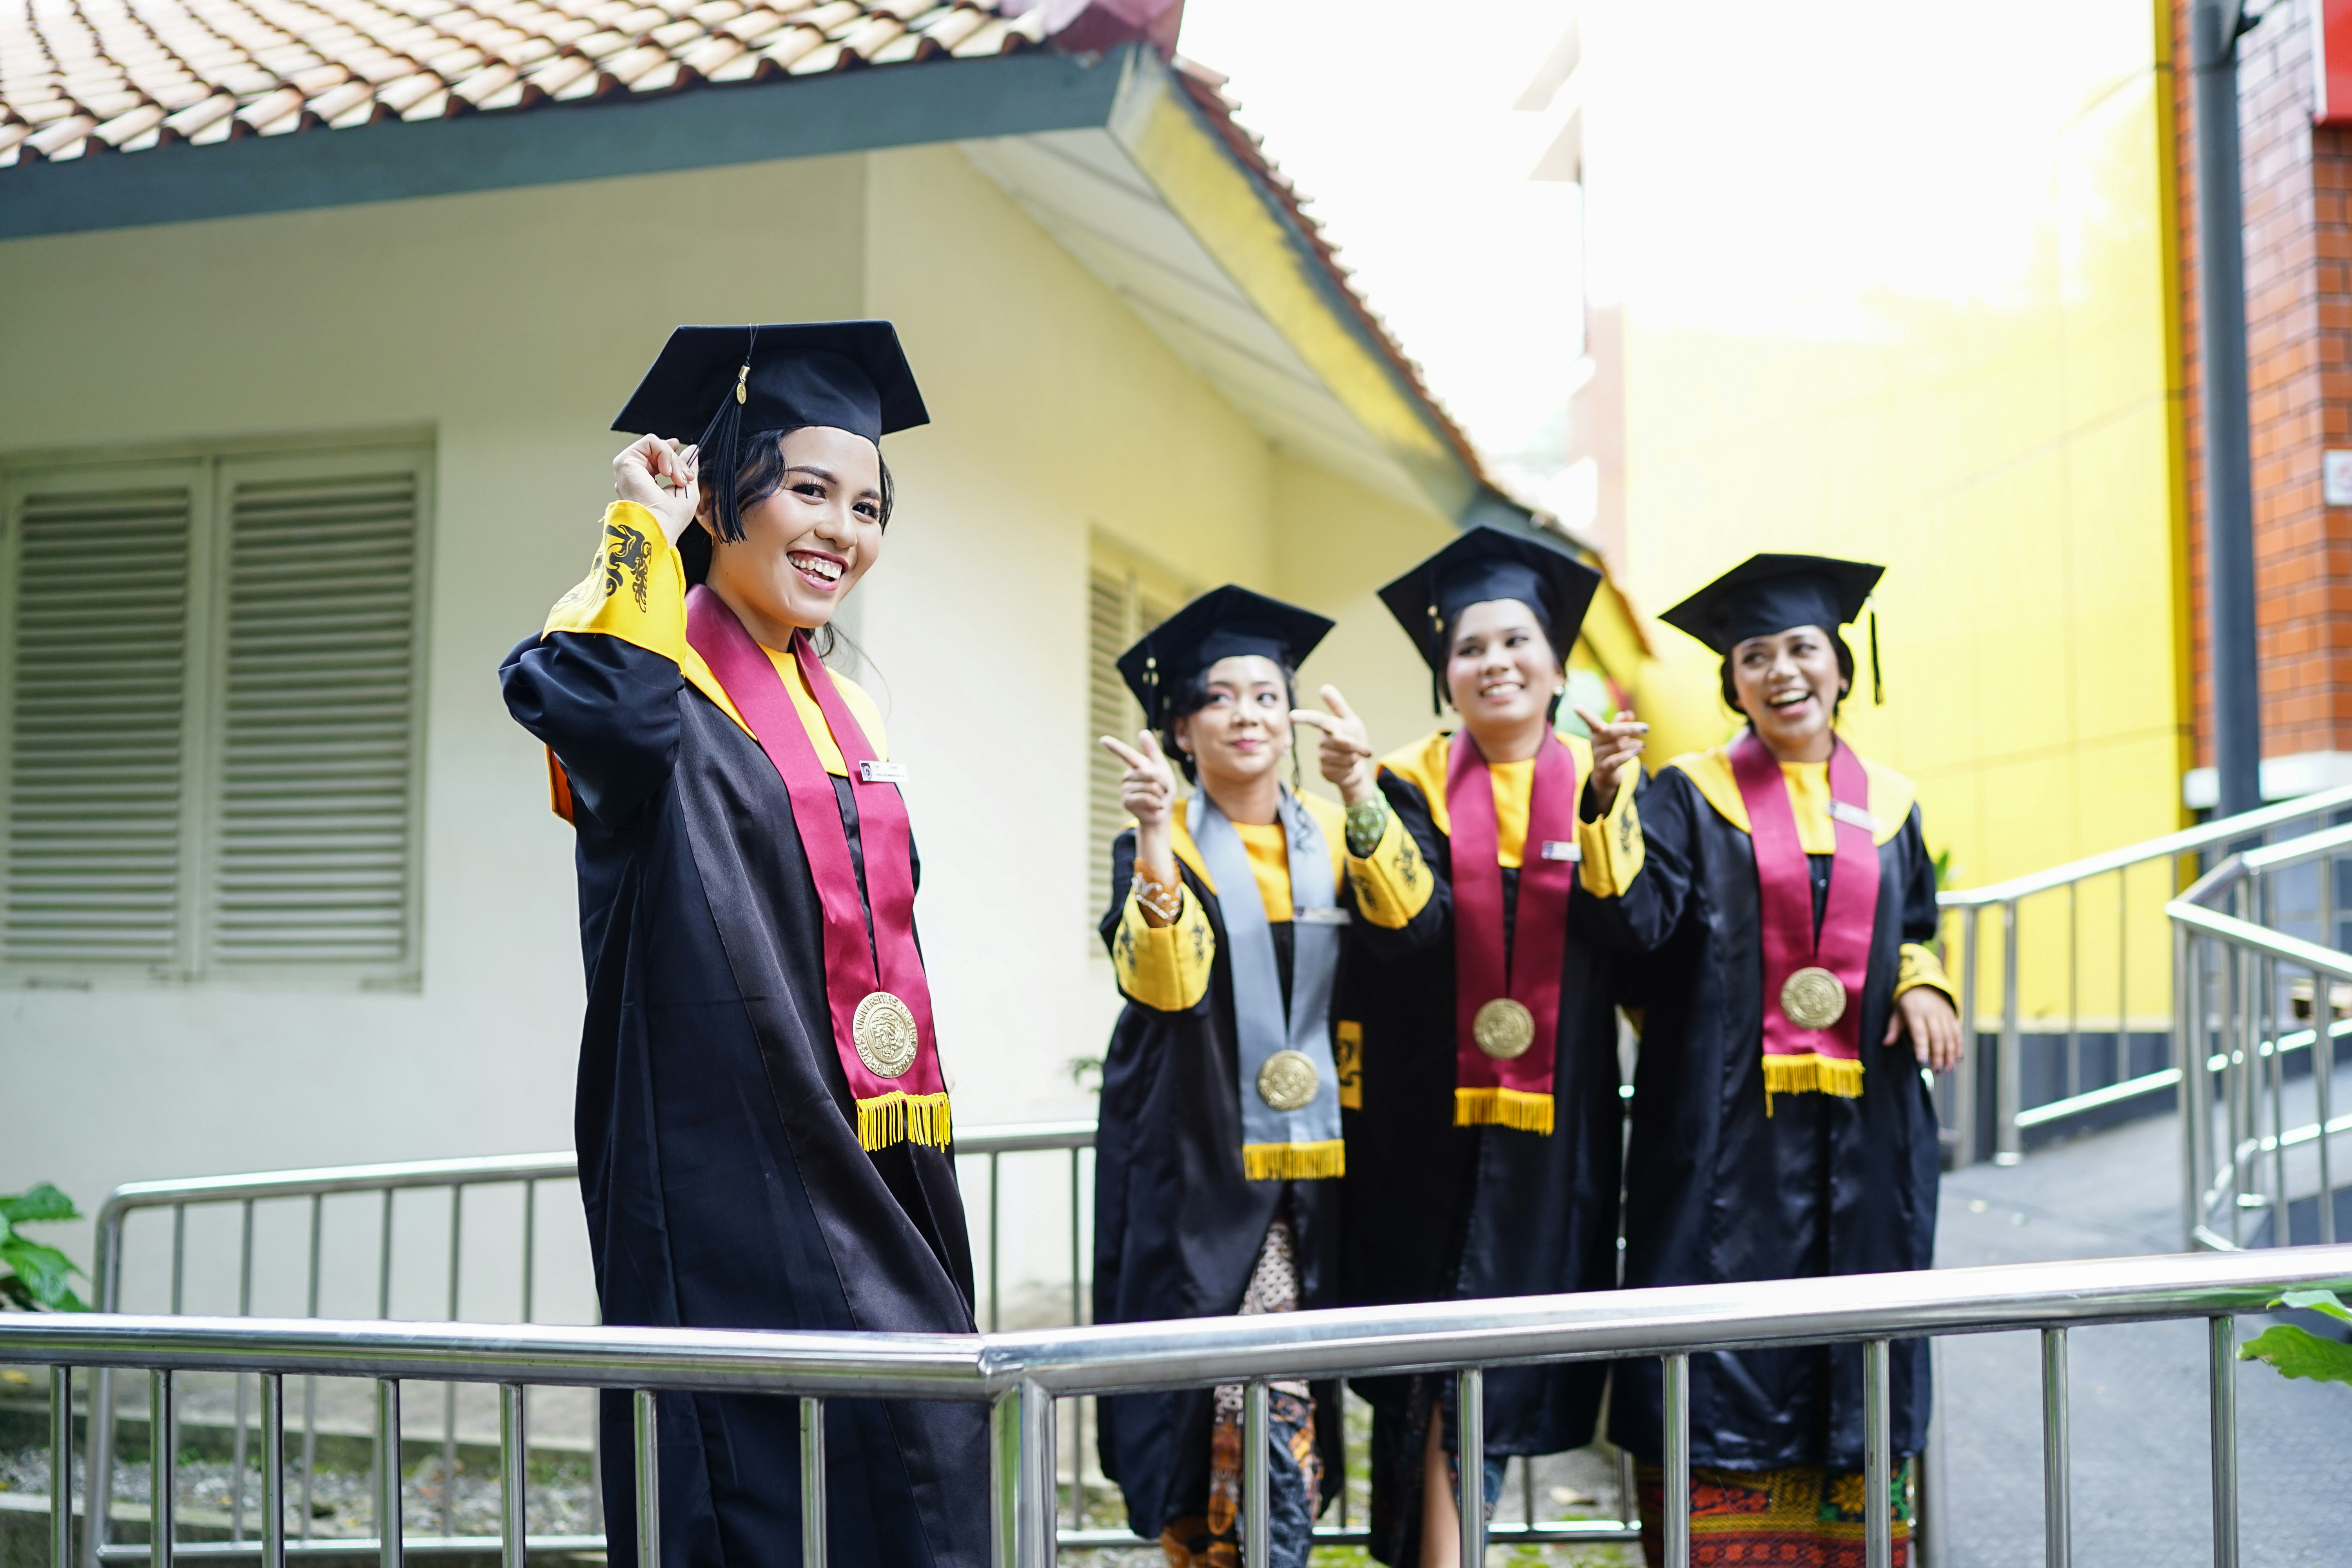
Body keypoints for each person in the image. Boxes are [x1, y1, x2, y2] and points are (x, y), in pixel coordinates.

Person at [499, 322, 984, 1568]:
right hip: (718, 1154)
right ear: (724, 495)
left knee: (915, 1438)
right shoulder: (648, 666)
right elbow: (595, 700)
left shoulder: (845, 702)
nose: (842, 530)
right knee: (758, 1484)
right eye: (807, 490)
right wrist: (646, 529)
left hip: (865, 1143)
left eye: (867, 506)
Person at [1311, 526, 1661, 1568]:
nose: (1495, 663)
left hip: (1555, 1135)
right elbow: (1405, 928)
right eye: (1470, 649)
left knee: (1501, 1366)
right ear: (1445, 676)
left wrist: (1606, 802)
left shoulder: (1606, 780)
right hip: (1423, 1133)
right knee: (1430, 1358)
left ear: (1558, 665)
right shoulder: (1406, 783)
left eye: (1518, 642)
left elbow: (1640, 934)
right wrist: (1361, 797)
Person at [1612, 554, 1963, 1568]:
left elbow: (1915, 928)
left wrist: (1923, 980)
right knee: (1715, 1367)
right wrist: (1609, 810)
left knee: (1860, 1357)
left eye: (1801, 649)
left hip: (1867, 1138)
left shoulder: (1893, 805)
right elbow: (1640, 929)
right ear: (1732, 683)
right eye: (1753, 656)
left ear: (1842, 669)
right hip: (1723, 1141)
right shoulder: (1688, 798)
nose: (1780, 672)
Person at [1091, 585, 1424, 1568]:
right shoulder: (1158, 838)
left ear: (1294, 717)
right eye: (1221, 697)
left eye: (1268, 695)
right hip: (1191, 1149)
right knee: (1203, 1369)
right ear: (1183, 729)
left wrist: (1365, 790)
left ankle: (1268, 1542)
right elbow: (1166, 982)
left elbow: (1413, 934)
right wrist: (1156, 836)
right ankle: (1220, 1547)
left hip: (1319, 1154)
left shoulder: (1339, 830)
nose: (1248, 714)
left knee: (1279, 1367)